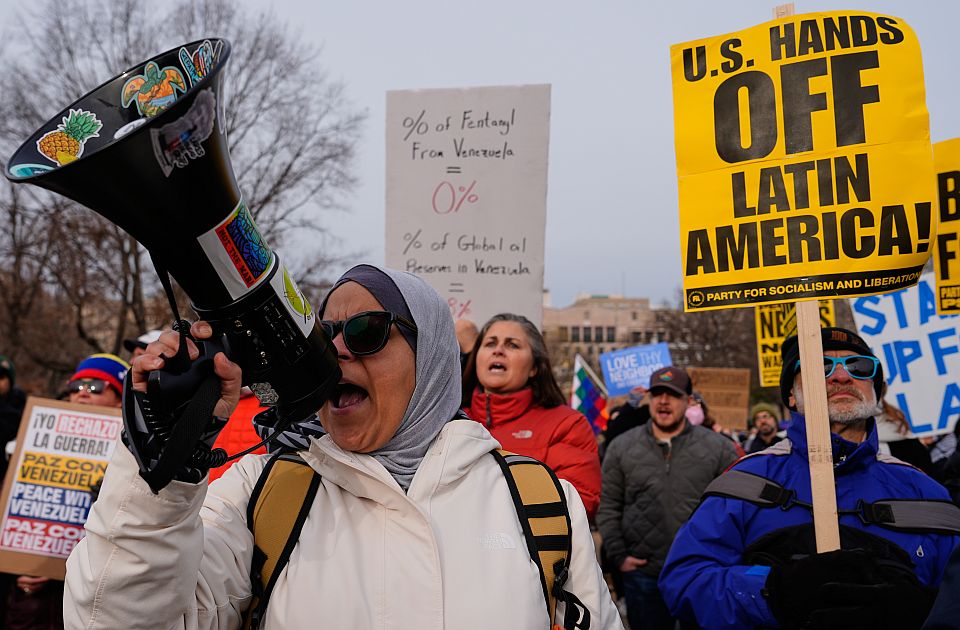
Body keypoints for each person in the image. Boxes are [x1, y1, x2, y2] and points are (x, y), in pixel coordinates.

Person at [64, 265, 622, 629]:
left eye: (366, 333)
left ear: (428, 359)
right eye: (325, 337)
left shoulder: (543, 503)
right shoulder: (258, 494)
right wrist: (160, 470)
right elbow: (114, 620)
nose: (338, 352)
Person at [659, 327, 960, 630]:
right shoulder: (743, 481)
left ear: (874, 388)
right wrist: (774, 592)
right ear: (791, 394)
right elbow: (684, 581)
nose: (841, 376)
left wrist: (926, 609)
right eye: (819, 367)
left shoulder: (924, 491)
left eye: (859, 366)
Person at [597, 366, 738, 630]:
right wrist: (620, 556)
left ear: (688, 400)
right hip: (643, 575)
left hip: (702, 575)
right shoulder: (621, 447)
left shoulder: (719, 448)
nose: (663, 401)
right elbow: (609, 506)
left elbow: (735, 507)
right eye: (657, 393)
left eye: (672, 394)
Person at [7, 353, 127, 630]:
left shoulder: (137, 448)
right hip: (34, 590)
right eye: (76, 386)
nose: (83, 393)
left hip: (98, 588)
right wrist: (21, 562)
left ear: (120, 396)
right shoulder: (36, 436)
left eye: (96, 386)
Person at [462, 313, 602, 520]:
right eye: (490, 343)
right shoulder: (449, 420)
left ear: (534, 367)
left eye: (513, 345)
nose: (498, 351)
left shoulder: (567, 425)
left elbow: (578, 504)